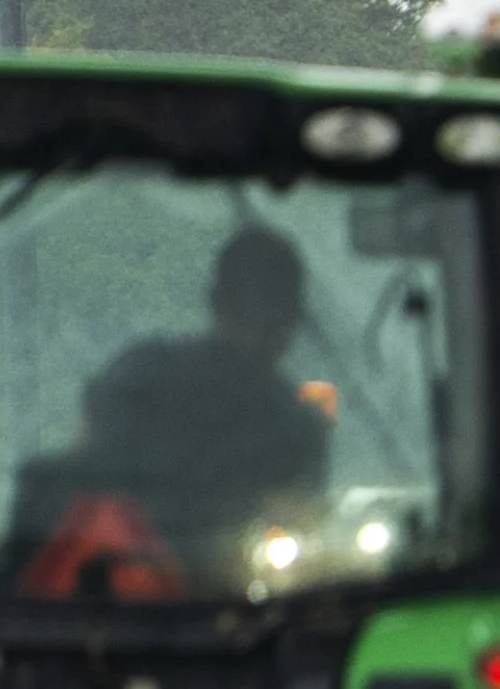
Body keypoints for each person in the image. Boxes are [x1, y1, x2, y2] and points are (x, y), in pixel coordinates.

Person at [62, 226, 332, 572]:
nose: (265, 320)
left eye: (274, 305)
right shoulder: (141, 377)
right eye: (251, 303)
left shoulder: (141, 373)